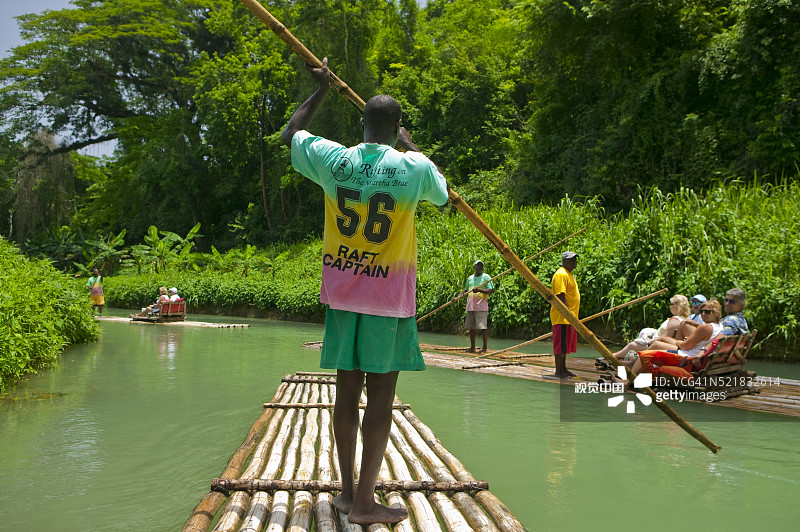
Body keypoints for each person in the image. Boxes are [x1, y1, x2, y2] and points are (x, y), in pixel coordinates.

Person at [280, 58, 448, 525]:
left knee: (345, 393)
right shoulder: (413, 167)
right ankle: (365, 504)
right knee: (380, 398)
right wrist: (412, 146)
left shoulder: (335, 159)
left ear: (361, 125)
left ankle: (347, 492)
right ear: (396, 128)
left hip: (342, 294)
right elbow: (443, 194)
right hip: (387, 300)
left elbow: (290, 133)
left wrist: (322, 90)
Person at [632, 299, 725, 375]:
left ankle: (628, 379)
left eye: (707, 312)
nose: (703, 314)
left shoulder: (705, 327)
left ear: (716, 313)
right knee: (683, 324)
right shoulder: (720, 326)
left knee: (654, 346)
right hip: (692, 353)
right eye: (701, 311)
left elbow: (685, 346)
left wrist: (671, 340)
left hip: (686, 358)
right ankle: (637, 369)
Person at [611, 294, 690, 360]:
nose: (669, 306)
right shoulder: (684, 319)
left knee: (632, 345)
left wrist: (650, 340)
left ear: (677, 306)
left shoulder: (674, 320)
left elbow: (666, 338)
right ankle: (620, 356)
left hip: (654, 345)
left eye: (671, 304)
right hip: (657, 341)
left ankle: (613, 357)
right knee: (646, 332)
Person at [550, 251, 580, 378]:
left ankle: (563, 368)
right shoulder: (561, 274)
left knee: (565, 345)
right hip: (562, 316)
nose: (574, 262)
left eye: (575, 260)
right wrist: (568, 313)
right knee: (560, 345)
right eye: (571, 260)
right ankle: (559, 371)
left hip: (568, 317)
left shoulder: (569, 274)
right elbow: (560, 296)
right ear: (564, 261)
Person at [458, 260, 495, 353]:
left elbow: (491, 290)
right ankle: (472, 347)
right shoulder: (470, 278)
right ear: (474, 267)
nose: (479, 267)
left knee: (483, 327)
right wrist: (458, 297)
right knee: (471, 328)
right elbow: (466, 289)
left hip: (481, 307)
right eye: (478, 266)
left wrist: (480, 290)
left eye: (481, 266)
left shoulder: (486, 277)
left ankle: (484, 348)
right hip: (471, 306)